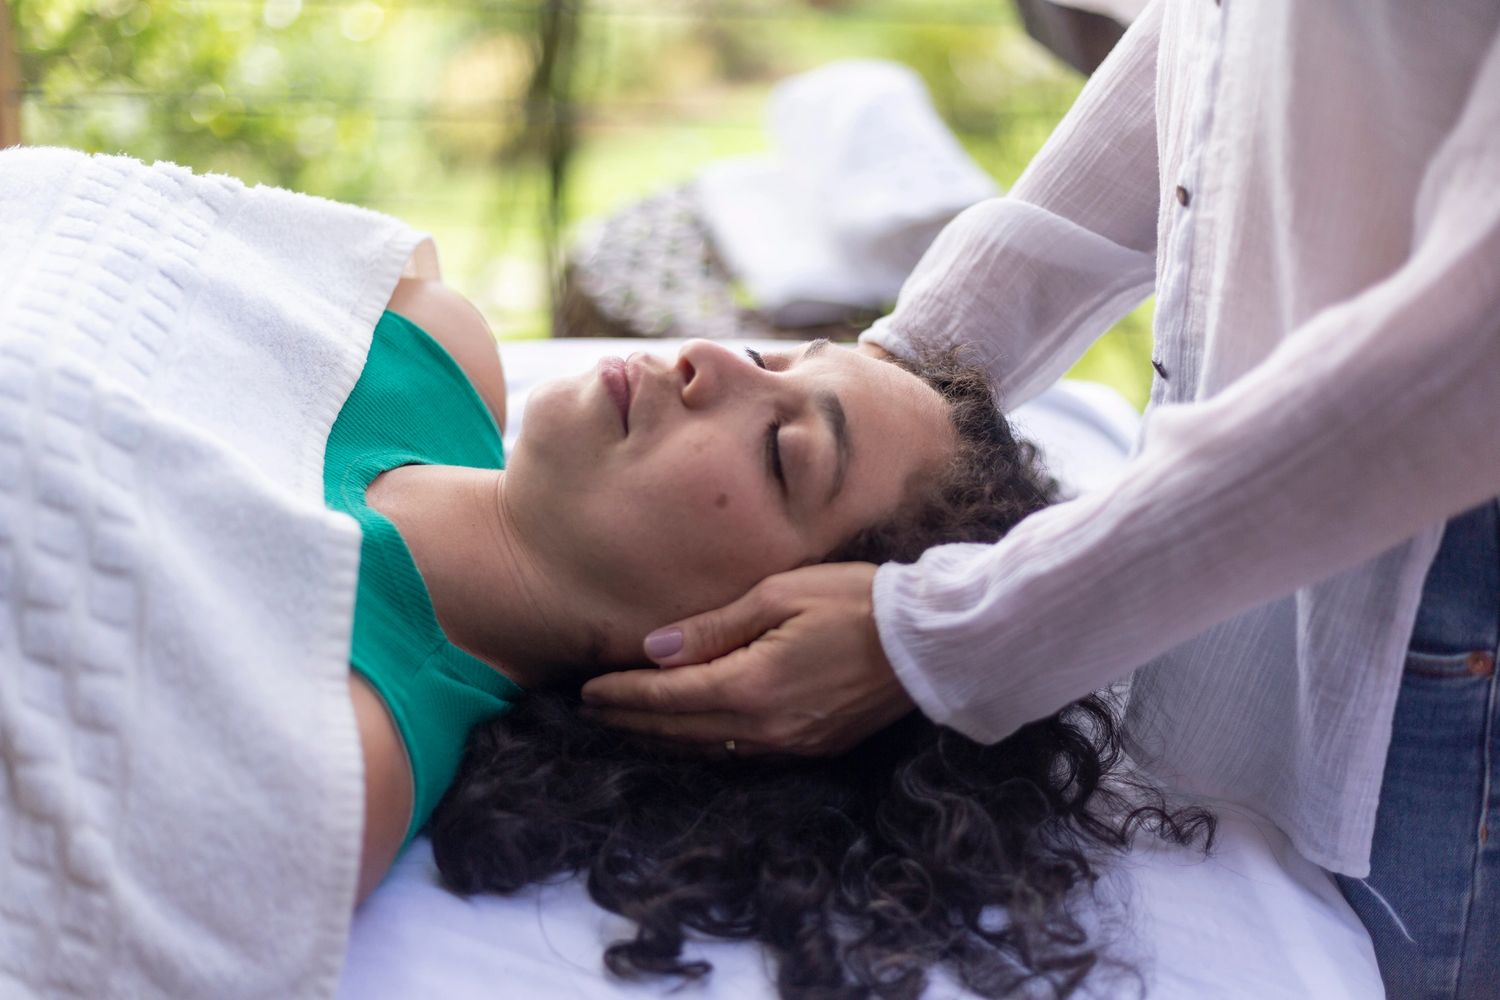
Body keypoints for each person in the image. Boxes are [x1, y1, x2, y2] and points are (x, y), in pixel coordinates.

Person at [577, 2, 1500, 995]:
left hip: (1431, 572)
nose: (706, 350)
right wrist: (901, 374)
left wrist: (964, 634)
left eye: (780, 452)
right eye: (780, 368)